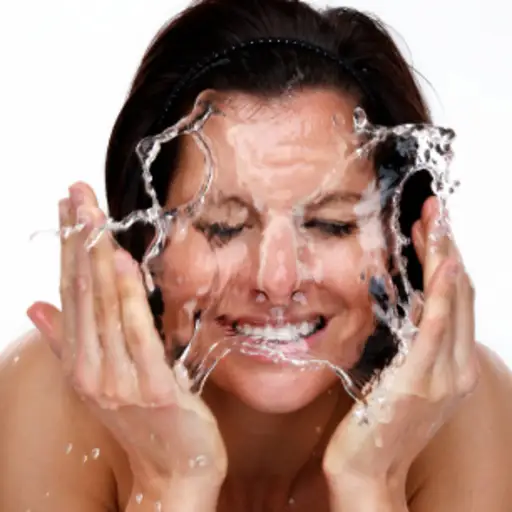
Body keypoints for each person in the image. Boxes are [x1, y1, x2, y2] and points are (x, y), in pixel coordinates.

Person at [1, 0, 511, 510]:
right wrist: (170, 483)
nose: (278, 279)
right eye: (222, 228)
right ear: (148, 239)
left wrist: (372, 483)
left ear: (399, 244)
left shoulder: (461, 414)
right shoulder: (50, 403)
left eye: (331, 225)